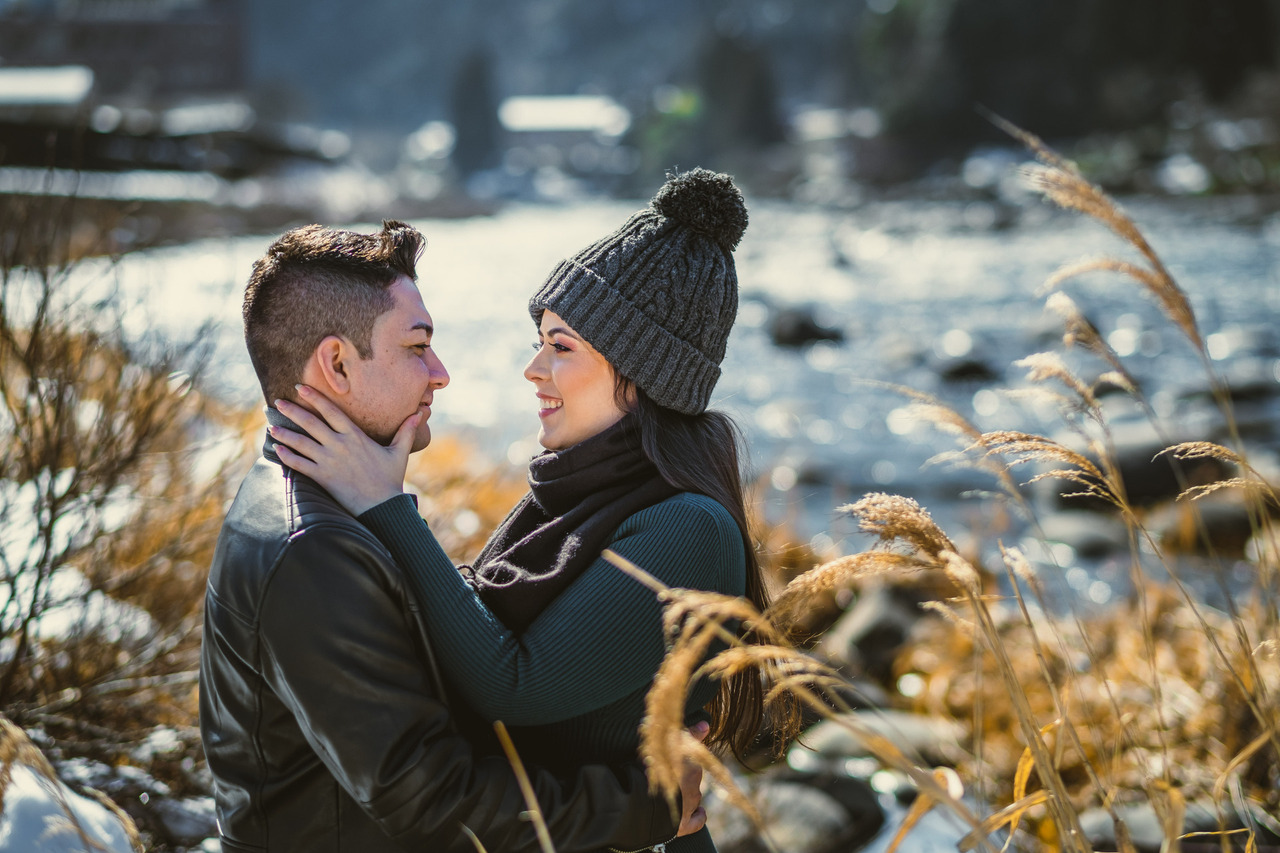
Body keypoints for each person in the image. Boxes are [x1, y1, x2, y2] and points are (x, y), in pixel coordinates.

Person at [271, 169, 778, 853]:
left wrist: (387, 505)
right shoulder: (577, 494)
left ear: (644, 372)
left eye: (561, 346)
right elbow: (473, 618)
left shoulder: (687, 527)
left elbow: (512, 684)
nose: (533, 368)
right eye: (539, 339)